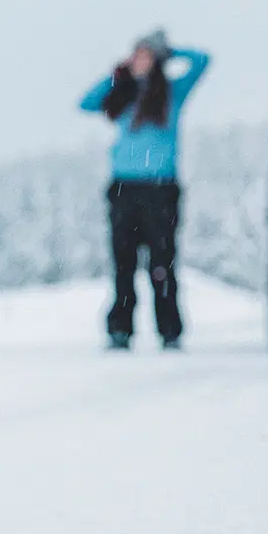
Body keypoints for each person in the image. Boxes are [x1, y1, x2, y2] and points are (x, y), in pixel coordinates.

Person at [79, 30, 211, 349]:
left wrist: (169, 50)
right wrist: (119, 73)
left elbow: (202, 60)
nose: (140, 60)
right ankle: (120, 328)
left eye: (146, 55)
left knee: (161, 263)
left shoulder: (171, 94)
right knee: (123, 263)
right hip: (124, 187)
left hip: (160, 189)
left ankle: (169, 329)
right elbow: (86, 103)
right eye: (136, 54)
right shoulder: (123, 94)